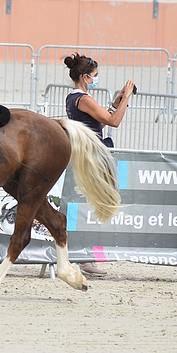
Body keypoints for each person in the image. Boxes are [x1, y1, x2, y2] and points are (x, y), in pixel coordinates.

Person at [64, 52, 135, 277]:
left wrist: (115, 104)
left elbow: (99, 123)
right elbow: (114, 122)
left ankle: (83, 257)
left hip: (87, 152)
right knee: (91, 206)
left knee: (90, 206)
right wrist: (126, 99)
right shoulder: (83, 99)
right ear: (85, 77)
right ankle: (83, 258)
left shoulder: (74, 97)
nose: (96, 79)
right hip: (89, 157)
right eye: (95, 75)